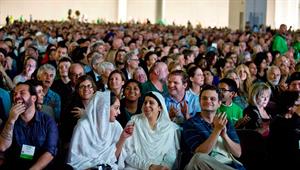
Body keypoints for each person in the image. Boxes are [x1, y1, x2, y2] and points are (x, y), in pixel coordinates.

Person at [183, 85, 244, 170]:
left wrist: (224, 135)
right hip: (205, 165)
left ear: (219, 103)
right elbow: (201, 152)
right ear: (199, 101)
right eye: (204, 98)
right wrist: (217, 130)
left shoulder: (225, 121)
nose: (208, 101)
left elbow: (238, 153)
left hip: (228, 165)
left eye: (212, 99)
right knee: (198, 158)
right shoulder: (191, 124)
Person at [67, 91, 133, 169]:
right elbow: (75, 160)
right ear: (104, 108)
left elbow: (113, 158)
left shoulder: (116, 126)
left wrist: (123, 137)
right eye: (116, 108)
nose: (119, 112)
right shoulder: (83, 126)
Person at [0, 82, 58, 169]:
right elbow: (3, 147)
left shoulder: (48, 121)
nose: (17, 96)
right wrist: (11, 121)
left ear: (33, 98)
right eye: (15, 94)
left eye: (22, 93)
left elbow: (50, 152)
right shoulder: (9, 119)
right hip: (16, 164)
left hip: (39, 166)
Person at [120, 91, 180, 169]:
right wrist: (149, 166)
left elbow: (171, 156)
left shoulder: (170, 128)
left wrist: (162, 167)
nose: (147, 105)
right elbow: (128, 153)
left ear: (160, 107)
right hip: (135, 166)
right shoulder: (134, 122)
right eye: (145, 103)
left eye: (151, 103)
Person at [268, 91, 300, 169]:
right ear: (289, 106)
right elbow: (289, 127)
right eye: (297, 105)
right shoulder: (278, 122)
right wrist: (297, 115)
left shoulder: (293, 120)